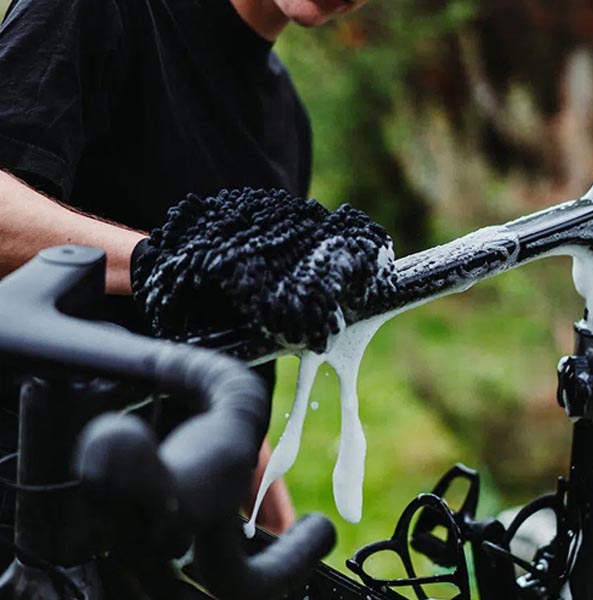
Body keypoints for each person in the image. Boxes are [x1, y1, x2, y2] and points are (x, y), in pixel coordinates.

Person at [0, 0, 370, 534]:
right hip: (30, 515)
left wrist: (275, 521)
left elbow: (220, 352)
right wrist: (164, 264)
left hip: (156, 537)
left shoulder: (289, 121)